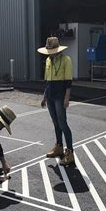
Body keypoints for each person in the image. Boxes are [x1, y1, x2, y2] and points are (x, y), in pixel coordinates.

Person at [38, 37, 75, 165]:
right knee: (55, 123)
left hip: (60, 95)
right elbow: (47, 81)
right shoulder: (48, 60)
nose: (50, 53)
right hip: (50, 95)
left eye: (52, 50)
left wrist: (67, 98)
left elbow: (68, 82)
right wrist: (44, 97)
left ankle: (69, 152)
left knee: (63, 123)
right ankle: (59, 147)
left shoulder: (66, 60)